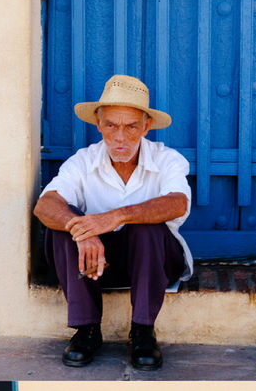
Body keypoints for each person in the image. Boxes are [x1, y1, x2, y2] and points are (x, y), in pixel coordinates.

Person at [34, 75, 193, 371]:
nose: (120, 137)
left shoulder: (168, 160)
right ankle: (87, 330)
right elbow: (45, 205)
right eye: (111, 125)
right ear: (98, 124)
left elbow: (177, 203)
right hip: (95, 265)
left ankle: (143, 331)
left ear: (146, 126)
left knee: (146, 225)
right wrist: (80, 229)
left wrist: (114, 217)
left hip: (154, 263)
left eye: (131, 126)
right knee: (63, 227)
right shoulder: (82, 161)